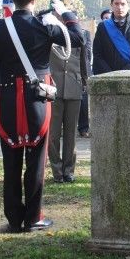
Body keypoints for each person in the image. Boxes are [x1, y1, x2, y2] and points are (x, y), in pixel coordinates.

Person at [0, 0, 84, 232]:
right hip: (38, 100)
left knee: (11, 160)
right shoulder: (44, 26)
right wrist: (67, 13)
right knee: (36, 161)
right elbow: (79, 38)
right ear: (33, 0)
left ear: (13, 1)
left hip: (7, 101)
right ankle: (33, 216)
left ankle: (14, 218)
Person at [47, 10, 89, 183]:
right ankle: (57, 171)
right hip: (54, 88)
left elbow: (83, 61)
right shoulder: (50, 33)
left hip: (74, 86)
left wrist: (85, 81)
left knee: (71, 133)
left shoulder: (80, 35)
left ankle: (69, 170)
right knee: (53, 134)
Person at [77, 27, 92, 138]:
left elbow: (88, 53)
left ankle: (83, 127)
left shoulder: (85, 33)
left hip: (83, 69)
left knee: (83, 100)